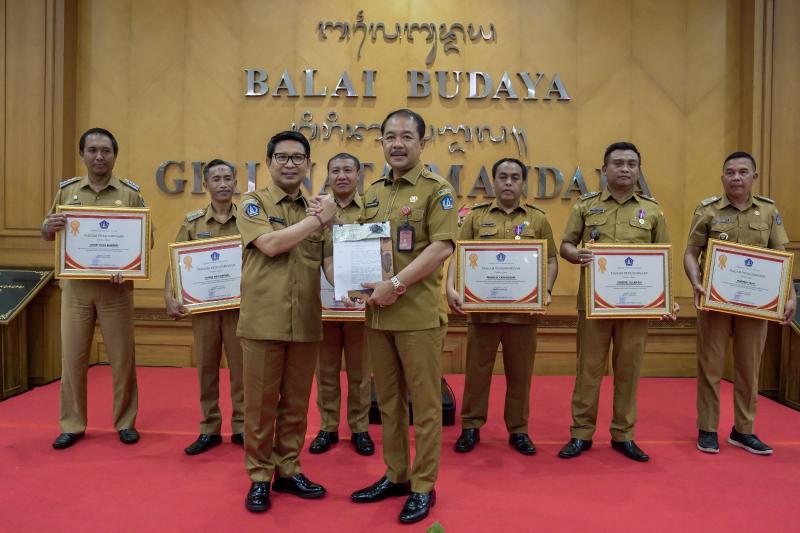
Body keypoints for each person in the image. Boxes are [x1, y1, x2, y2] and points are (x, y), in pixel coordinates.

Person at [348, 109, 457, 525]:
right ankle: (395, 475)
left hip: (416, 315)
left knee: (424, 407)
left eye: (406, 136)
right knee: (389, 404)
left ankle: (423, 485)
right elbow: (360, 246)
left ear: (422, 143)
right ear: (381, 143)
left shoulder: (437, 190)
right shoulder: (373, 191)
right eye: (389, 136)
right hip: (377, 316)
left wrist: (394, 285)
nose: (397, 143)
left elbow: (441, 247)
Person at [236, 131, 338, 513]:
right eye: (283, 157)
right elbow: (271, 245)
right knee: (261, 406)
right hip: (264, 321)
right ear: (269, 162)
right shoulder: (252, 202)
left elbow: (328, 266)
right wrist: (320, 221)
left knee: (295, 405)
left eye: (299, 157)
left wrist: (361, 282)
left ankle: (288, 469)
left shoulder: (318, 210)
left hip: (306, 322)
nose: (291, 163)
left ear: (309, 165)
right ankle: (260, 476)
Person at [558, 141, 678, 463]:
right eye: (618, 163)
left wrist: (666, 300)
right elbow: (565, 245)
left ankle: (623, 435)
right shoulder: (585, 206)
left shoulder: (652, 210)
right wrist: (575, 254)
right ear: (605, 169)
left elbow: (663, 259)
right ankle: (581, 433)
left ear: (639, 170)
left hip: (636, 308)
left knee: (628, 371)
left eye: (631, 164)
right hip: (594, 305)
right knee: (588, 370)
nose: (625, 169)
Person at [684, 151, 796, 455]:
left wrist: (790, 296)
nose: (736, 177)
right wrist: (696, 282)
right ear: (723, 177)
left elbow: (781, 258)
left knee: (749, 368)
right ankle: (707, 428)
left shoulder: (769, 212)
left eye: (743, 172)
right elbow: (691, 253)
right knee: (710, 366)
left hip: (755, 306)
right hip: (714, 302)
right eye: (730, 172)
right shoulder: (707, 211)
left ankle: (743, 430)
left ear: (753, 177)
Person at [42, 127, 147, 449]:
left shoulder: (129, 194)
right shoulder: (68, 193)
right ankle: (72, 424)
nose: (99, 156)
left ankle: (125, 422)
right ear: (83, 155)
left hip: (116, 291)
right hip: (75, 290)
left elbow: (146, 238)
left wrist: (128, 266)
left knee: (122, 359)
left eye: (106, 150)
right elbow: (49, 230)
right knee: (72, 359)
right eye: (92, 150)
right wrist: (47, 227)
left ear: (115, 155)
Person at [446, 157, 558, 456]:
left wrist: (545, 290)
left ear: (523, 183)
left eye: (515, 178)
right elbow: (457, 254)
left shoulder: (538, 219)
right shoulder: (476, 217)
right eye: (503, 177)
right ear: (493, 182)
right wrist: (450, 287)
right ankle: (471, 427)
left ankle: (519, 430)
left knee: (520, 375)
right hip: (483, 313)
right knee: (476, 373)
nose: (508, 183)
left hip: (523, 316)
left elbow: (550, 260)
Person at [165, 159, 245, 455]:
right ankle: (209, 428)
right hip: (203, 311)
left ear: (235, 182)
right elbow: (175, 265)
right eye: (216, 178)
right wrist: (169, 296)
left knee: (242, 372)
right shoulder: (193, 223)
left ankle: (242, 427)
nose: (223, 183)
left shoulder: (249, 220)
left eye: (228, 177)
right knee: (206, 370)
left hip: (240, 310)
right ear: (206, 184)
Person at [308, 153, 374, 457]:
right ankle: (328, 427)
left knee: (361, 372)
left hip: (364, 306)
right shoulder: (315, 209)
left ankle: (359, 428)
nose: (342, 175)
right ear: (328, 175)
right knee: (327, 370)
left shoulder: (372, 208)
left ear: (359, 174)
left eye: (348, 169)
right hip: (324, 305)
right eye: (335, 170)